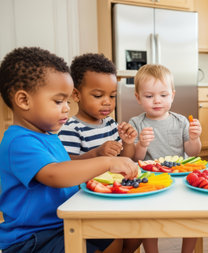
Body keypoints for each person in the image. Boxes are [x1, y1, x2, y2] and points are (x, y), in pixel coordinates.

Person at [0, 47, 139, 253]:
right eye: (58, 101)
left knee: (126, 232)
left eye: (66, 101)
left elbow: (70, 167)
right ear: (24, 100)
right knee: (113, 242)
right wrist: (107, 162)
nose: (67, 108)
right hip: (33, 238)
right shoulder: (19, 142)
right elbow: (55, 174)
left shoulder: (49, 136)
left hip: (62, 221)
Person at [128, 64, 202, 253]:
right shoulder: (136, 123)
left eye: (163, 95)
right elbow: (136, 158)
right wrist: (142, 145)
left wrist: (194, 138)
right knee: (149, 218)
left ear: (172, 95)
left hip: (179, 178)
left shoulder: (181, 121)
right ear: (138, 97)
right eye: (149, 96)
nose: (157, 101)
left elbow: (193, 153)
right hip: (149, 179)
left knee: (191, 215)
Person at [58, 53, 137, 159]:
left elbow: (125, 158)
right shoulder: (71, 129)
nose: (107, 102)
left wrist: (128, 143)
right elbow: (66, 165)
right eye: (98, 96)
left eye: (112, 96)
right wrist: (96, 153)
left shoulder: (111, 125)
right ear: (76, 95)